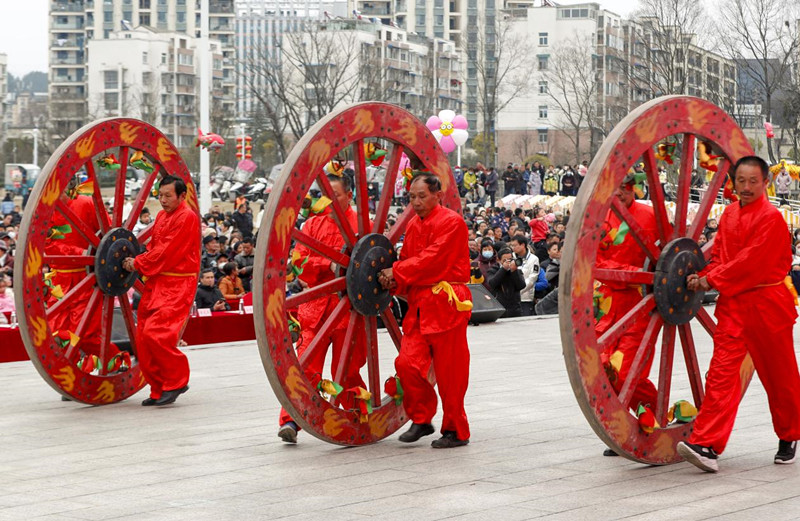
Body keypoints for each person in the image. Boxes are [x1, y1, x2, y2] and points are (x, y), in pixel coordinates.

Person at [678, 156, 800, 473]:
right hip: (734, 306)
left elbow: (751, 262)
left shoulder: (772, 218)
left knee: (780, 377)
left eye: (752, 182)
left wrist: (711, 279)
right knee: (721, 375)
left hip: (767, 304)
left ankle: (789, 435)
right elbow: (722, 258)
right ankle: (706, 444)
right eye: (740, 181)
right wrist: (702, 275)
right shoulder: (730, 214)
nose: (745, 188)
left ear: (765, 183)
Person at [378, 172, 472, 448]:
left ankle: (456, 430)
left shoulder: (452, 222)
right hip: (420, 306)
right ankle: (421, 418)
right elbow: (409, 262)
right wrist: (393, 279)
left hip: (447, 304)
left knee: (450, 374)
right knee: (406, 363)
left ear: (438, 195)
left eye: (421, 196)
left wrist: (395, 272)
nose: (416, 202)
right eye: (411, 197)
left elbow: (431, 260)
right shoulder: (414, 227)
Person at [277, 174, 367, 443]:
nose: (327, 200)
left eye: (335, 194)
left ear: (349, 195)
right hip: (315, 309)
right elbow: (299, 264)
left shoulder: (363, 225)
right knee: (304, 367)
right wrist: (326, 265)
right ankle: (291, 419)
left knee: (349, 370)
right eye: (323, 194)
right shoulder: (312, 224)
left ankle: (355, 419)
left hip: (349, 311)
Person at [122, 175, 200, 406]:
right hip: (157, 283)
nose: (163, 200)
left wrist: (137, 263)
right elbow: (155, 247)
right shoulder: (162, 216)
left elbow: (166, 252)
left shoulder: (187, 217)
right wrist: (141, 259)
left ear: (182, 196)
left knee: (158, 334)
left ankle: (176, 381)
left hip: (177, 284)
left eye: (168, 196)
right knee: (143, 338)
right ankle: (158, 388)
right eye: (160, 195)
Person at [595, 174, 658, 456]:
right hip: (607, 304)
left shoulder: (649, 215)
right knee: (601, 369)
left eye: (625, 186)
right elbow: (593, 260)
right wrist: (630, 274)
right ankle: (632, 427)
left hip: (640, 303)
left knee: (627, 371)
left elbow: (669, 253)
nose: (619, 192)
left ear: (634, 188)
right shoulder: (599, 219)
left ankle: (646, 425)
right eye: (615, 187)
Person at [487, 247, 525, 317]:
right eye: (505, 260)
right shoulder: (493, 270)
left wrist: (514, 271)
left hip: (515, 309)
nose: (508, 262)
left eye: (510, 259)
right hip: (499, 308)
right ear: (498, 260)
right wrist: (503, 269)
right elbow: (492, 284)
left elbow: (521, 285)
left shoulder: (516, 270)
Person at [510, 235, 540, 316]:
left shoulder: (533, 259)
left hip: (525, 298)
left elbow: (532, 279)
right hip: (510, 298)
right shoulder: (510, 257)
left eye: (515, 245)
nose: (513, 248)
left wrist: (518, 291)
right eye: (511, 245)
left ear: (522, 245)